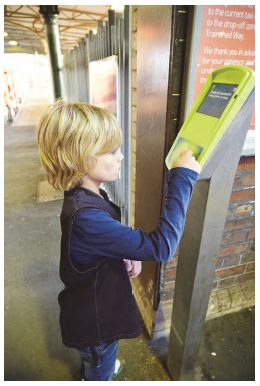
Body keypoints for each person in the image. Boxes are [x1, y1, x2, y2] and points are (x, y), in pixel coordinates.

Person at [36, 100, 201, 381]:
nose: (121, 156)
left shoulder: (87, 195)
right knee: (99, 367)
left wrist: (128, 253)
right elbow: (162, 246)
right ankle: (98, 371)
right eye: (112, 151)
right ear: (80, 158)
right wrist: (183, 176)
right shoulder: (86, 217)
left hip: (88, 307)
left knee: (97, 359)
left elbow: (104, 236)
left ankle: (97, 364)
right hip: (95, 325)